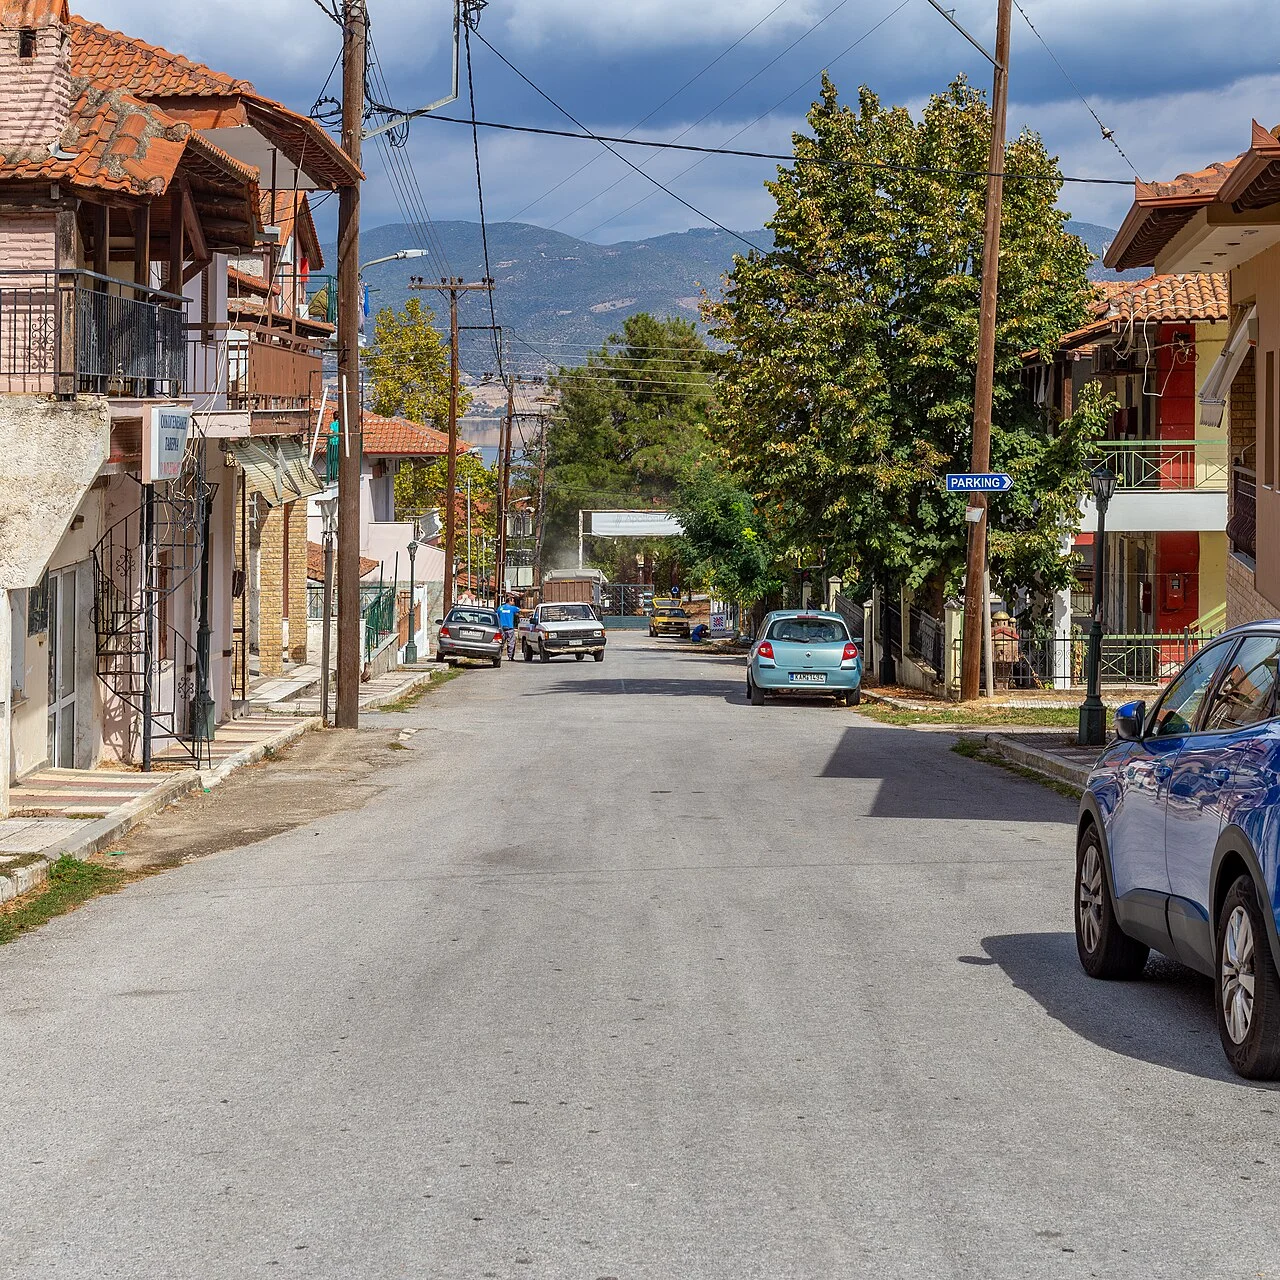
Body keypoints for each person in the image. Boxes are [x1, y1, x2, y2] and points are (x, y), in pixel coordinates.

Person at [497, 594, 519, 659]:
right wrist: (532, 611)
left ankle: (498, 655)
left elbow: (496, 615)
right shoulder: (512, 608)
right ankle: (510, 656)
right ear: (510, 601)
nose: (514, 603)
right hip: (510, 628)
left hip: (501, 628)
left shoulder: (500, 608)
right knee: (511, 643)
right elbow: (521, 610)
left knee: (500, 642)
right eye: (513, 601)